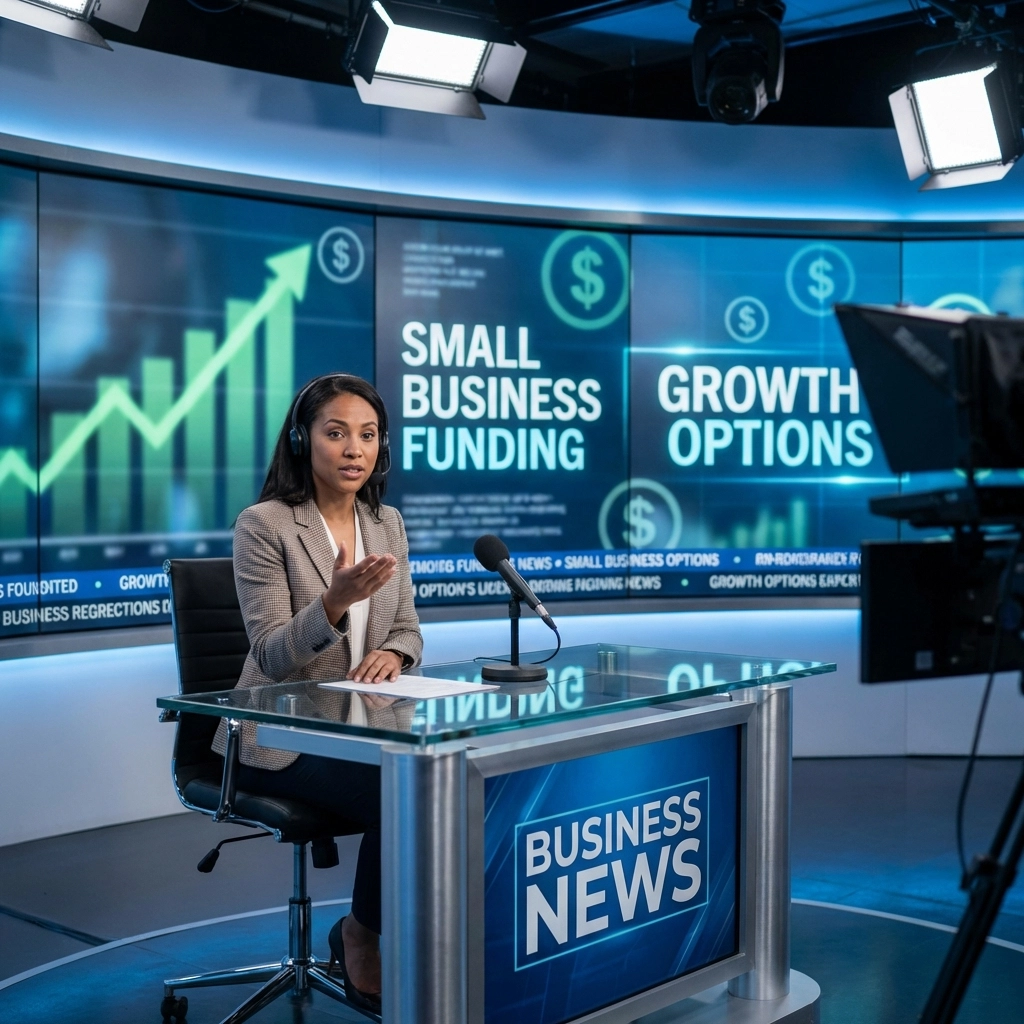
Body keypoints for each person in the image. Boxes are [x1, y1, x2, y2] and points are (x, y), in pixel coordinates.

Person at [212, 373, 422, 1014]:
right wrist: (333, 603)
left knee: (435, 773)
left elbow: (409, 627)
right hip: (276, 732)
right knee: (402, 790)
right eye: (337, 434)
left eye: (368, 435)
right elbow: (271, 653)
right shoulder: (265, 525)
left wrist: (394, 652)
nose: (354, 449)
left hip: (364, 722)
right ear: (304, 440)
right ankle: (360, 934)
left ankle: (408, 933)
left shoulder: (385, 523)